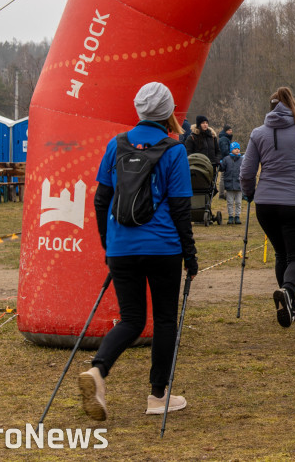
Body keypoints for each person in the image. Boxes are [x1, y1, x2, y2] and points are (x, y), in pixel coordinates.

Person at [80, 81, 198, 422]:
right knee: (163, 320)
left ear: (139, 110)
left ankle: (99, 372)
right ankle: (158, 396)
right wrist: (190, 255)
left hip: (121, 247)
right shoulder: (174, 150)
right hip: (163, 247)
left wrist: (108, 244)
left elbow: (101, 199)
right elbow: (180, 208)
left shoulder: (115, 145)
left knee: (131, 319)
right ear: (168, 113)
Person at [241, 87, 295, 328]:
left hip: (266, 204)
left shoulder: (258, 133)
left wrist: (249, 193)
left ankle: (290, 305)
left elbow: (246, 172)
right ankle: (288, 292)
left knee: (282, 253)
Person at [220, 142, 244, 224]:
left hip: (239, 184)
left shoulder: (242, 159)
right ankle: (230, 216)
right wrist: (220, 164)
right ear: (231, 150)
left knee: (238, 202)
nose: (237, 150)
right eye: (235, 148)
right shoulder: (226, 159)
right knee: (230, 202)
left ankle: (237, 216)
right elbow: (222, 169)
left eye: (238, 148)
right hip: (229, 184)